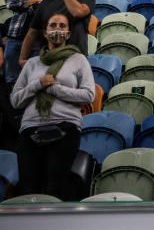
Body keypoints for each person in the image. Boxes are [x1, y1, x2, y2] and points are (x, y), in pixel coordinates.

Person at [10, 11, 95, 200]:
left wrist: (54, 89)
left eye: (62, 26)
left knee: (55, 187)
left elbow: (88, 95)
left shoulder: (78, 60)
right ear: (45, 32)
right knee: (29, 188)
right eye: (53, 26)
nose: (57, 30)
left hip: (65, 127)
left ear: (69, 33)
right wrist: (37, 85)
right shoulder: (32, 63)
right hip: (31, 129)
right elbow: (15, 100)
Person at [18, 0, 94, 64]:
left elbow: (78, 12)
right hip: (48, 58)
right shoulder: (45, 3)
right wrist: (22, 58)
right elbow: (32, 33)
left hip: (76, 59)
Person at [5, 0, 57, 85]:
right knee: (11, 79)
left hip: (39, 41)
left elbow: (46, 9)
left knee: (34, 80)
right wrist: (36, 1)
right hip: (14, 38)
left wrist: (25, 2)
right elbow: (10, 2)